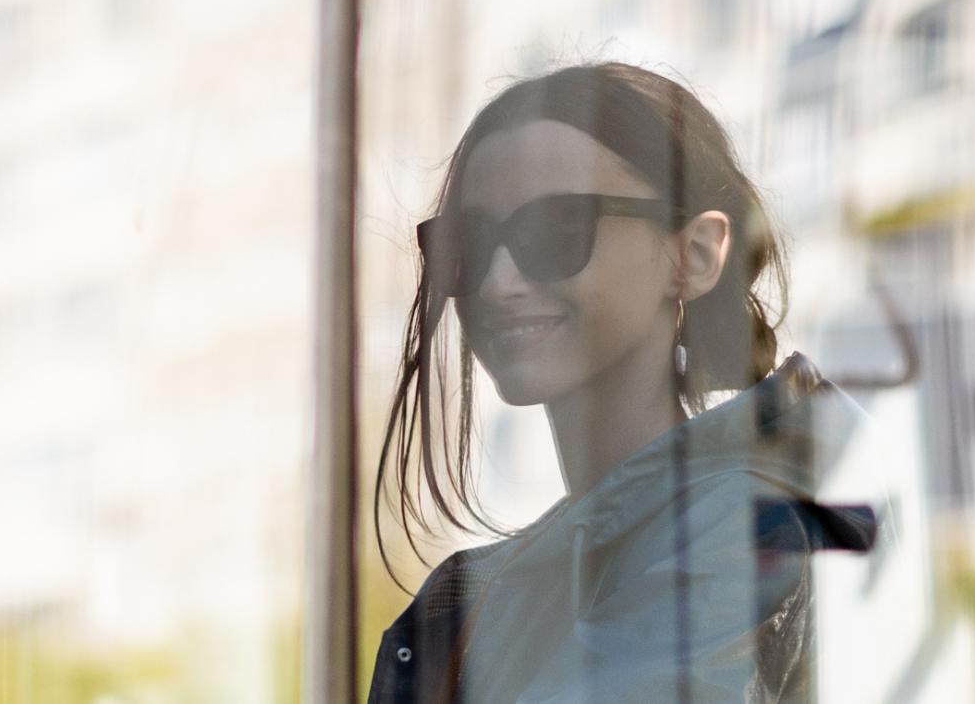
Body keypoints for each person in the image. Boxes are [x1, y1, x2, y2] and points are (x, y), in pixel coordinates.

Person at [366, 63, 870, 704]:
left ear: (695, 254)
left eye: (555, 230)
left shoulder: (748, 526)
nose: (498, 282)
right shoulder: (477, 591)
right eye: (470, 242)